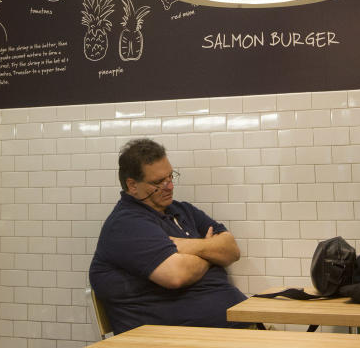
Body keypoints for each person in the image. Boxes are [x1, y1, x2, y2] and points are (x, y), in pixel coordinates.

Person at [89, 138, 247, 333]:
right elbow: (176, 275)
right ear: (132, 185)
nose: (169, 186)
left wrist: (189, 247)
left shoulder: (183, 211)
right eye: (158, 182)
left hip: (228, 330)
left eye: (170, 177)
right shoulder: (126, 224)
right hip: (170, 340)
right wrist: (210, 252)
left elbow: (231, 250)